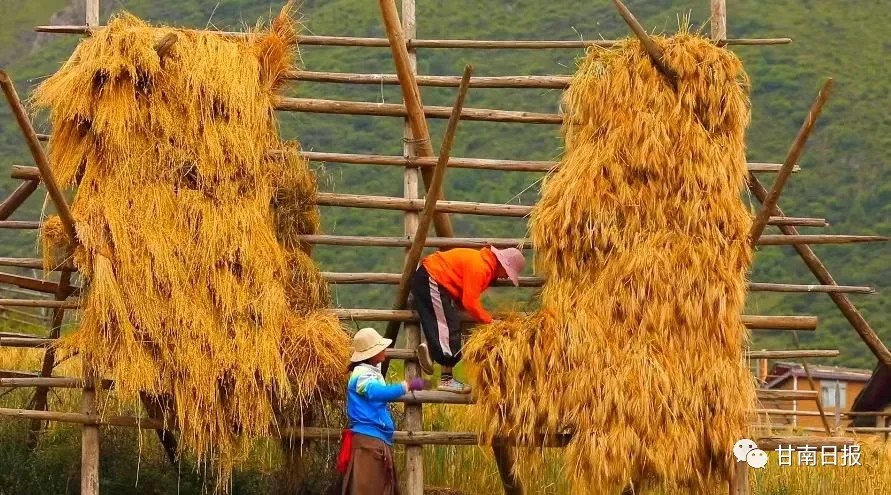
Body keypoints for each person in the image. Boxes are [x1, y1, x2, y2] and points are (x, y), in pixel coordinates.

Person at [410, 246, 525, 393]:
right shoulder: (481, 268)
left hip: (432, 278)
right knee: (447, 326)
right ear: (502, 264)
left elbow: (463, 294)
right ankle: (445, 378)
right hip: (432, 278)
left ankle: (431, 351)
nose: (506, 277)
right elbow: (470, 301)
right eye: (508, 273)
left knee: (447, 323)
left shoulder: (484, 265)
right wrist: (489, 321)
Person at [340, 327, 425, 495]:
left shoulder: (368, 372)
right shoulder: (362, 376)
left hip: (373, 443)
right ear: (372, 354)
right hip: (368, 444)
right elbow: (376, 392)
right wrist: (405, 386)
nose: (384, 350)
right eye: (380, 348)